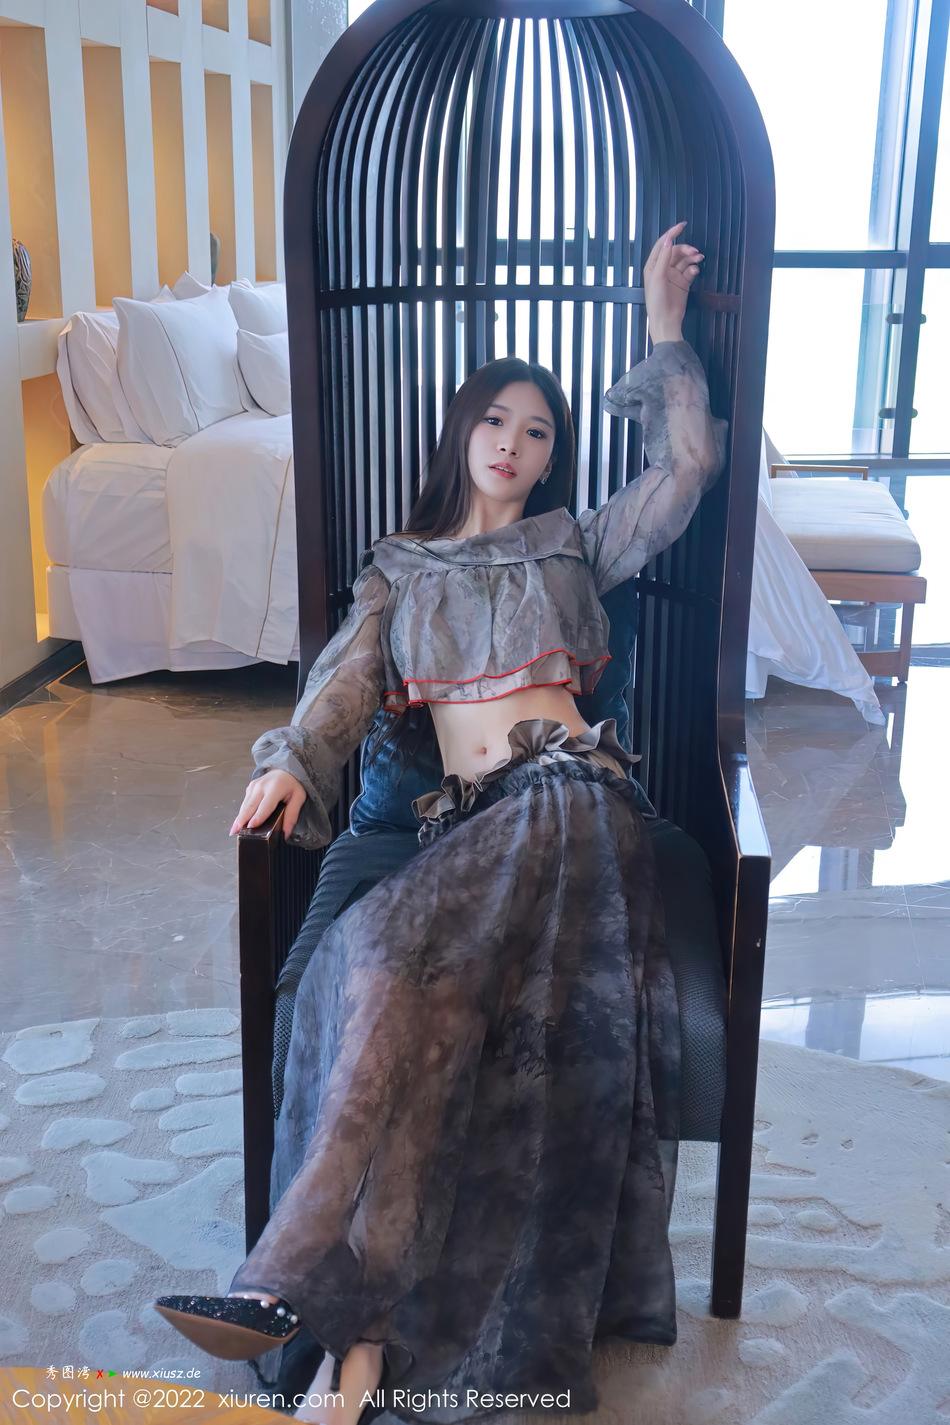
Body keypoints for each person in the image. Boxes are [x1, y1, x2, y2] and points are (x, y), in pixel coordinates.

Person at [154, 223, 726, 1425]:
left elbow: (684, 469)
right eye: (495, 421)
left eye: (538, 431)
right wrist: (292, 764)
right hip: (470, 825)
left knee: (393, 960)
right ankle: (355, 1353)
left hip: (570, 798)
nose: (513, 444)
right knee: (378, 980)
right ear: (460, 431)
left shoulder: (574, 542)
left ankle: (279, 1290)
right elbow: (342, 684)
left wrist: (663, 327)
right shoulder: (401, 569)